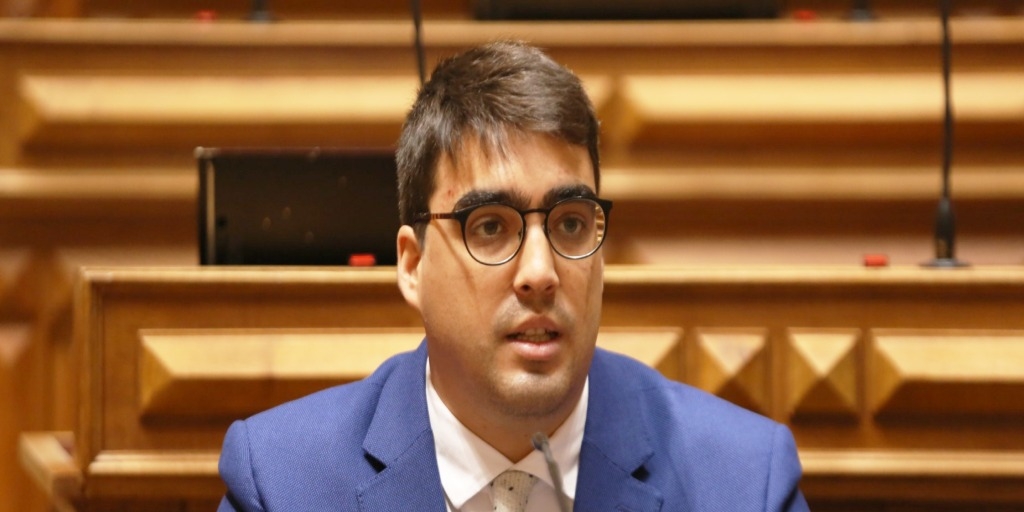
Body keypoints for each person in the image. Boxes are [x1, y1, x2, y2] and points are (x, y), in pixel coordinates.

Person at [217, 40, 809, 511]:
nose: (540, 273)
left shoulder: (742, 481)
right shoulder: (283, 483)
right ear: (413, 265)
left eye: (571, 223)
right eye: (490, 227)